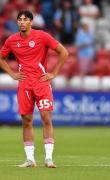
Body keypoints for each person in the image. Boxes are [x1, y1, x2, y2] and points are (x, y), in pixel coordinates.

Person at [0, 10, 68, 168]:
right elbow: (1, 57)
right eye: (19, 19)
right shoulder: (11, 40)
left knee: (46, 118)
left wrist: (54, 72)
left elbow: (63, 52)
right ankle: (30, 159)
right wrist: (11, 74)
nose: (22, 22)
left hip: (41, 83)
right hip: (24, 85)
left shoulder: (42, 36)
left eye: (25, 19)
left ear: (31, 22)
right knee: (26, 121)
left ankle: (49, 158)